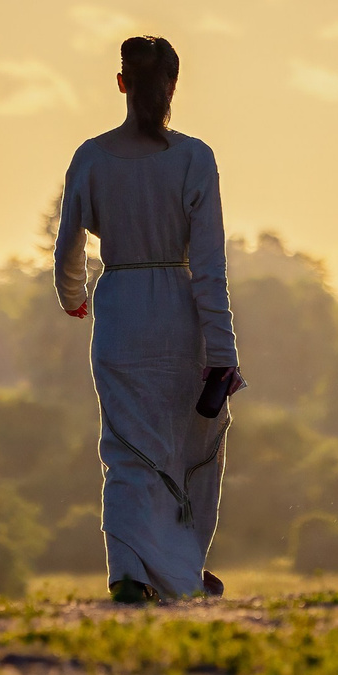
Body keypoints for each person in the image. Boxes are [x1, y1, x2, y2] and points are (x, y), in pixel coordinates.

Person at [53, 35, 243, 603]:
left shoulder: (90, 157)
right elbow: (210, 270)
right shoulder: (194, 159)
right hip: (179, 317)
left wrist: (74, 297)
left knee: (127, 448)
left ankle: (132, 574)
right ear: (173, 87)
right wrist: (224, 353)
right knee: (189, 447)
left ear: (121, 85)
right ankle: (176, 569)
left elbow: (67, 250)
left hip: (118, 311)